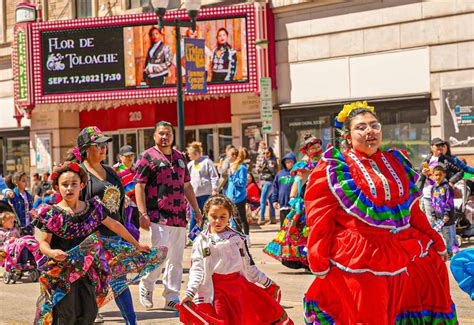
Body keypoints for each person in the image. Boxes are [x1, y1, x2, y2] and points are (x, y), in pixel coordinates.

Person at [303, 101, 457, 324]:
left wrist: (437, 241)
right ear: (347, 135)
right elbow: (320, 220)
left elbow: (412, 211)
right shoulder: (335, 167)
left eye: (374, 125)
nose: (369, 131)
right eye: (361, 127)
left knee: (407, 306)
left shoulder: (396, 161)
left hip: (401, 252)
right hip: (358, 258)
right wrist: (319, 261)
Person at [32, 161, 165, 324]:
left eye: (73, 184)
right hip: (63, 275)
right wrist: (52, 252)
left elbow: (115, 225)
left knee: (88, 313)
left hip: (89, 272)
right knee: (66, 315)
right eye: (64, 184)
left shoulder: (92, 208)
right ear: (57, 187)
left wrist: (136, 245)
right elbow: (43, 243)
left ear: (81, 185)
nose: (69, 188)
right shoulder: (51, 214)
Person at [180, 194, 293, 325]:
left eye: (223, 217)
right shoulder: (201, 240)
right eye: (214, 216)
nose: (218, 221)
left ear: (229, 217)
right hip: (216, 292)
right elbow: (197, 270)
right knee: (221, 320)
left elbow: (249, 266)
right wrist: (190, 292)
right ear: (206, 214)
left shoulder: (237, 238)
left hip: (239, 289)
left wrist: (267, 281)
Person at [69, 126, 138, 325]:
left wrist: (127, 237)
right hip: (90, 241)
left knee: (119, 283)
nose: (103, 148)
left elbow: (120, 207)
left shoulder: (111, 172)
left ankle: (131, 323)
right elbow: (72, 209)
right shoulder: (78, 175)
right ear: (85, 149)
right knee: (90, 287)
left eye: (104, 144)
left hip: (115, 237)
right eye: (97, 145)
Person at [135, 121, 203, 311]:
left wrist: (197, 211)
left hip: (179, 216)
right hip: (158, 216)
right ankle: (146, 285)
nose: (165, 137)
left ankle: (171, 296)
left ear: (173, 136)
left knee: (176, 258)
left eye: (168, 134)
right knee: (160, 255)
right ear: (155, 136)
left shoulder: (180, 157)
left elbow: (187, 186)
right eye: (161, 133)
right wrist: (143, 213)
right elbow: (139, 186)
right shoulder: (147, 157)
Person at [419, 138, 463, 219]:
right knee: (431, 220)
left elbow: (460, 171)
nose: (440, 147)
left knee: (443, 220)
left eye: (442, 145)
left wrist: (451, 182)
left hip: (441, 195)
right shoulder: (426, 160)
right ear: (432, 147)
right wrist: (423, 173)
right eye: (437, 145)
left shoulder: (447, 160)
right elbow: (418, 176)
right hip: (428, 194)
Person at [187, 141, 219, 235]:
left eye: (190, 154)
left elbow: (214, 176)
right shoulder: (190, 164)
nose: (189, 156)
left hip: (206, 194)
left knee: (206, 214)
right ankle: (192, 236)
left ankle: (208, 234)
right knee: (193, 216)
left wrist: (214, 188)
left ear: (196, 153)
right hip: (194, 194)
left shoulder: (207, 162)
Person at [431, 164, 456, 256]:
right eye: (436, 175)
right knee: (437, 234)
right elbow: (432, 201)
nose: (438, 177)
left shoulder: (447, 187)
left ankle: (449, 252)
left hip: (446, 217)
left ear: (444, 175)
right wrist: (433, 214)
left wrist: (446, 214)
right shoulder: (433, 187)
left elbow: (449, 202)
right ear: (433, 175)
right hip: (438, 217)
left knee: (447, 235)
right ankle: (440, 251)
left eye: (440, 175)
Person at [113, 145, 139, 231]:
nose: (130, 158)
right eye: (127, 156)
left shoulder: (136, 169)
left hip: (136, 204)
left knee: (135, 230)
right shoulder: (115, 170)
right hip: (124, 205)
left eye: (131, 155)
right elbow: (113, 187)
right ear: (120, 157)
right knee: (126, 230)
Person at [224, 147, 249, 235]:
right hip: (232, 197)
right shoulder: (233, 166)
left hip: (239, 197)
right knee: (235, 219)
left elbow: (243, 182)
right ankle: (239, 237)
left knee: (242, 218)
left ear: (234, 156)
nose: (227, 158)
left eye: (228, 156)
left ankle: (246, 237)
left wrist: (232, 176)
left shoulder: (242, 167)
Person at [272, 152, 296, 227]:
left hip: (294, 205)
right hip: (283, 204)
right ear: (284, 163)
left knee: (293, 225)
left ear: (294, 162)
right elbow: (275, 188)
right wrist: (274, 200)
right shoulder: (280, 174)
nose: (289, 164)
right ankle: (283, 238)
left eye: (291, 162)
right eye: (287, 162)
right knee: (283, 225)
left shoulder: (298, 173)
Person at [257, 147, 278, 225]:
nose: (265, 155)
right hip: (267, 182)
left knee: (262, 200)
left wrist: (264, 167)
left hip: (268, 182)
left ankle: (262, 218)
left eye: (267, 153)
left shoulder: (271, 161)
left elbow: (272, 170)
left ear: (271, 153)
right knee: (271, 200)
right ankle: (273, 218)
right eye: (264, 153)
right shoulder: (265, 160)